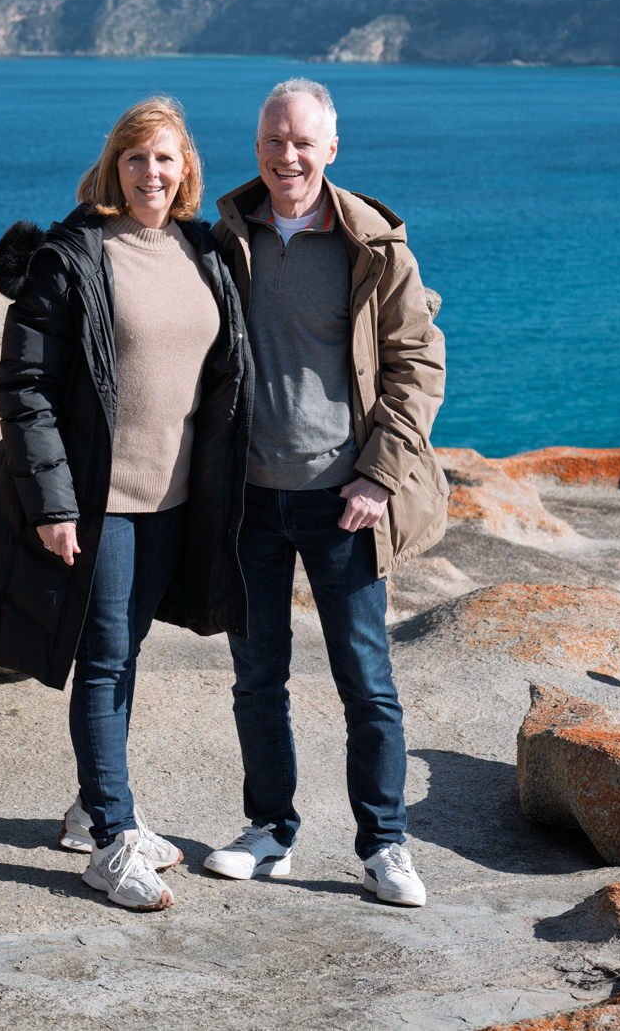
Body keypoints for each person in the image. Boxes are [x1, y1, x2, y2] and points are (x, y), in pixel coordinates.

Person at [0, 96, 249, 912]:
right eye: (136, 157)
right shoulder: (75, 256)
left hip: (174, 496)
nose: (151, 172)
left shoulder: (201, 249)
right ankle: (113, 838)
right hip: (101, 500)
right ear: (112, 166)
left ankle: (93, 807)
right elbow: (25, 388)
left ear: (186, 168)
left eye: (166, 158)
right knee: (107, 655)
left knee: (127, 649)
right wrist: (53, 505)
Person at [202, 77, 447, 907]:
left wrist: (379, 475)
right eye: (274, 140)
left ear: (331, 149)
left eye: (303, 141)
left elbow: (418, 365)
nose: (288, 156)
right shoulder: (226, 238)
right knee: (256, 678)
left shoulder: (372, 244)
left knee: (365, 682)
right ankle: (269, 831)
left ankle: (384, 846)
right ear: (257, 147)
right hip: (249, 501)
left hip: (343, 501)